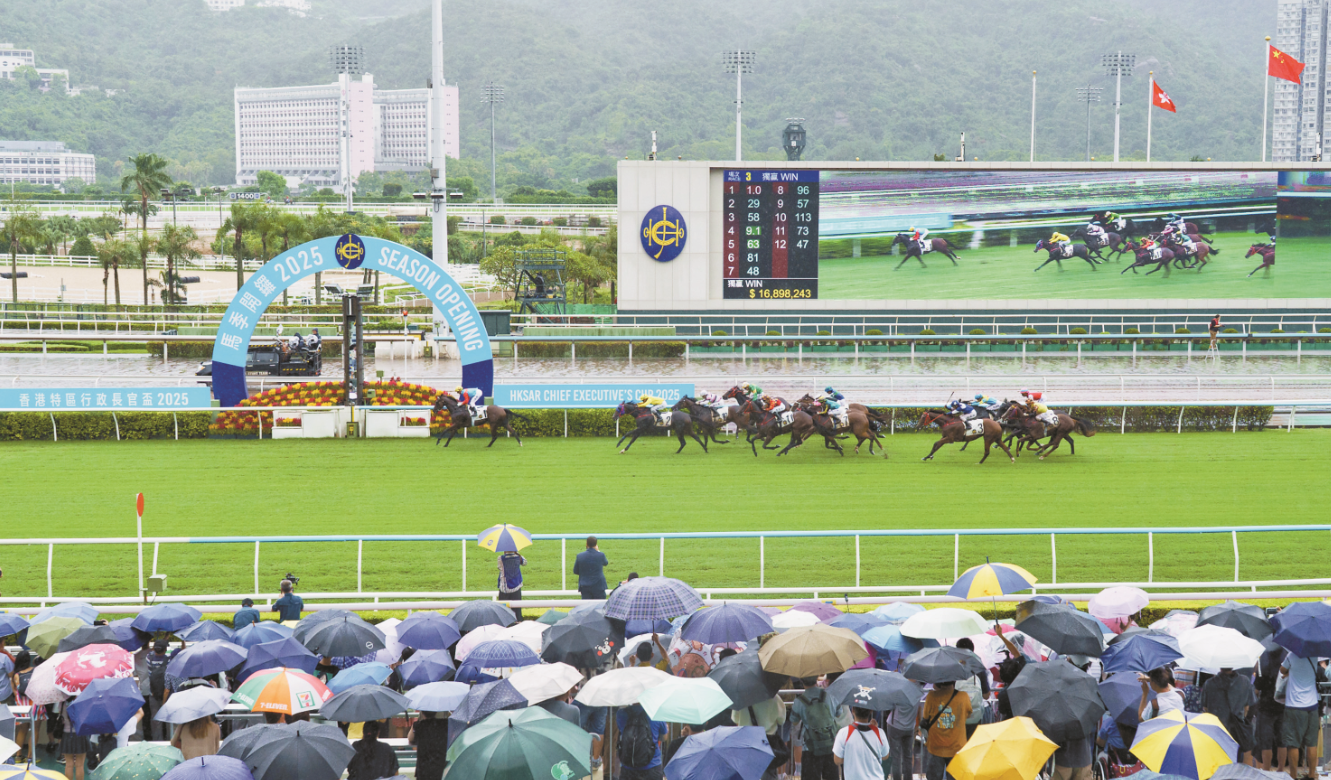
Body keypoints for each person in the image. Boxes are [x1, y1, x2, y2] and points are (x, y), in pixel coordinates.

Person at [792, 678, 849, 780]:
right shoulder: (829, 695)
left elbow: (794, 721)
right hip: (830, 744)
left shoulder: (799, 700)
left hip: (810, 747)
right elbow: (839, 714)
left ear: (802, 681)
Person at [1279, 653, 1323, 778]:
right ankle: (1311, 774)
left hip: (1295, 706)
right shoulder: (1314, 656)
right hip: (1312, 705)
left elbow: (1282, 669)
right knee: (1312, 743)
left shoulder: (1291, 655)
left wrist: (1290, 671)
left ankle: (1293, 775)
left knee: (1293, 743)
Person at [920, 679, 971, 780]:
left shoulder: (931, 696)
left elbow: (925, 717)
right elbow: (968, 714)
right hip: (957, 746)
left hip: (935, 746)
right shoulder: (963, 696)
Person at [1202, 668, 1255, 764]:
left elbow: (1206, 708)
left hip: (1216, 732)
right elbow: (1247, 708)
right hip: (1238, 731)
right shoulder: (1244, 681)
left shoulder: (1209, 684)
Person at [832, 706, 888, 780]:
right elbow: (885, 756)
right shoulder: (879, 733)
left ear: (853, 710)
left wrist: (852, 756)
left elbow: (837, 760)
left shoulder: (843, 733)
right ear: (871, 711)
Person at [616, 702, 667, 780]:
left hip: (628, 767)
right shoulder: (656, 713)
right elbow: (664, 738)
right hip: (652, 766)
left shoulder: (621, 713)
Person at [408, 711, 449, 780]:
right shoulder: (444, 724)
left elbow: (410, 738)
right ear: (436, 712)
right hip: (439, 769)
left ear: (422, 713)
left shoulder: (419, 725)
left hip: (423, 770)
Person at [60, 702, 91, 780]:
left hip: (67, 735)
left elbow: (61, 717)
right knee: (79, 765)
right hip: (80, 734)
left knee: (69, 764)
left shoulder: (62, 703)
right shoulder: (82, 702)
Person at [574, 536, 609, 600]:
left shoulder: (580, 556)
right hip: (599, 585)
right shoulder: (601, 555)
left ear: (586, 544)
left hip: (585, 586)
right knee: (599, 607)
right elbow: (606, 563)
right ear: (596, 544)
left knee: (587, 607)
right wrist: (598, 551)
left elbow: (575, 571)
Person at [497, 550, 526, 620]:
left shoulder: (500, 558)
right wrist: (518, 554)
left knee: (503, 612)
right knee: (517, 612)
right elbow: (525, 562)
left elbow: (499, 567)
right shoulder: (518, 557)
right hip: (516, 588)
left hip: (504, 589)